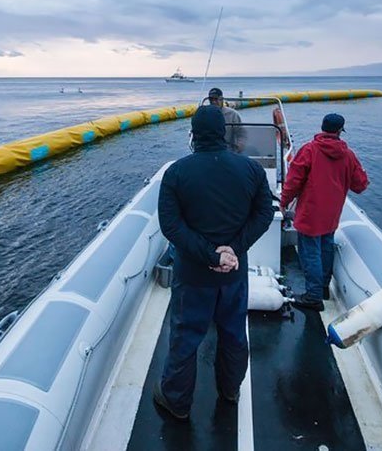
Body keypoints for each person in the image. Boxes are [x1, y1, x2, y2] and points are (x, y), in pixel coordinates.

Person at [155, 105, 274, 420]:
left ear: (193, 135)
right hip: (233, 274)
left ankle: (177, 402)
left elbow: (171, 226)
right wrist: (232, 250)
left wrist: (211, 255)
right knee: (233, 334)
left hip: (193, 275)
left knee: (185, 337)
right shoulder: (251, 170)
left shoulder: (176, 173)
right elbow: (264, 214)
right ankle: (230, 391)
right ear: (224, 133)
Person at [280, 113, 369, 311]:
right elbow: (360, 185)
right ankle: (323, 289)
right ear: (340, 131)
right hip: (332, 214)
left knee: (310, 253)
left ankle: (313, 296)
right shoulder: (349, 155)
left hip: (310, 213)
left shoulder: (309, 150)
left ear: (322, 127)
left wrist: (284, 202)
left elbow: (293, 181)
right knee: (326, 248)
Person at [207, 87, 246, 153]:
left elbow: (241, 133)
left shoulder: (233, 114)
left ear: (222, 99)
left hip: (228, 150)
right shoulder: (205, 114)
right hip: (209, 150)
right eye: (211, 99)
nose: (213, 102)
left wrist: (239, 146)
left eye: (216, 99)